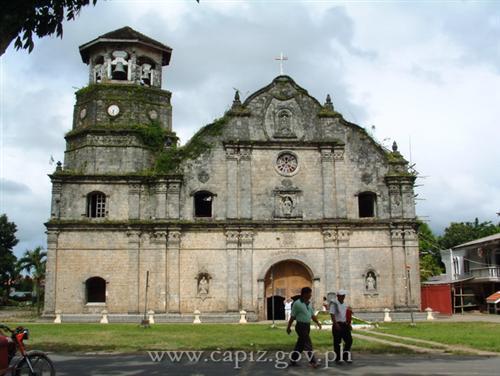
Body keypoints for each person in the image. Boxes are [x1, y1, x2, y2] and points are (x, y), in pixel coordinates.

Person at [286, 287, 322, 368]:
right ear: (304, 294)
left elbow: (312, 315)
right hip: (300, 326)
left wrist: (318, 323)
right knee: (308, 343)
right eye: (309, 293)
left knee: (300, 345)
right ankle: (313, 362)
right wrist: (288, 327)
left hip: (307, 326)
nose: (310, 295)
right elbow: (292, 316)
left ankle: (293, 360)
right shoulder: (297, 304)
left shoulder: (308, 304)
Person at [330, 289, 353, 363]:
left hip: (344, 324)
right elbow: (332, 314)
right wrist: (335, 324)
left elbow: (346, 315)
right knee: (337, 342)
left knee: (349, 340)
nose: (342, 297)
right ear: (337, 296)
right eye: (341, 296)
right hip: (337, 324)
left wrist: (349, 324)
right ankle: (338, 358)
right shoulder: (334, 303)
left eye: (343, 296)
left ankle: (345, 356)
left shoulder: (345, 304)